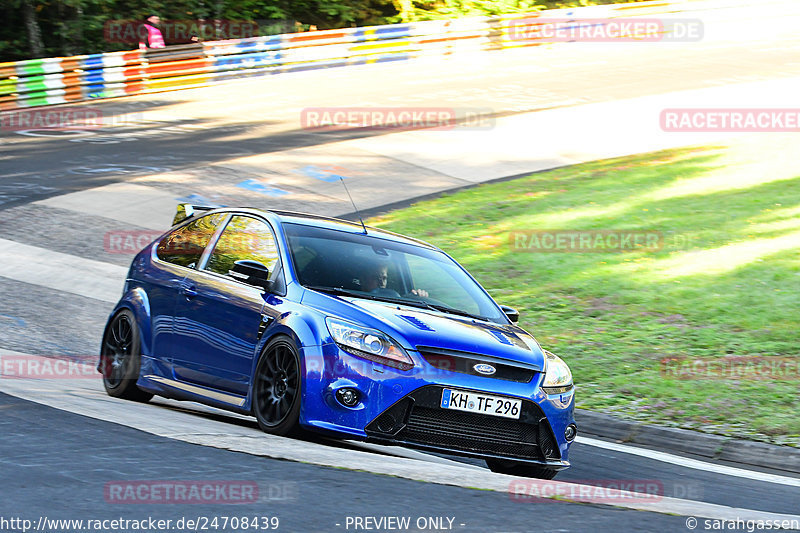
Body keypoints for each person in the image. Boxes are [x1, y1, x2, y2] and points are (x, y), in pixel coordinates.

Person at [359, 261, 428, 298]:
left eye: (384, 278)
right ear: (363, 280)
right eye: (375, 278)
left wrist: (419, 298)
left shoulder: (394, 301)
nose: (381, 283)